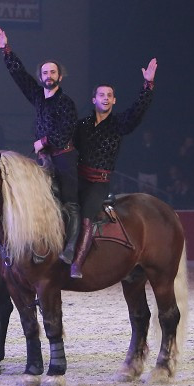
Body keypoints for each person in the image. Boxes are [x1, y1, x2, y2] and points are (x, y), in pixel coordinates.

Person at [0, 25, 80, 264]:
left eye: (52, 72)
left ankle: (71, 247)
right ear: (41, 77)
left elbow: (64, 132)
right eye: (45, 73)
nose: (48, 76)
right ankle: (42, 247)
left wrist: (43, 141)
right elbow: (20, 76)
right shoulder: (38, 96)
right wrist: (6, 50)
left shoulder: (66, 103)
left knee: (70, 203)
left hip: (64, 158)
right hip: (45, 159)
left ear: (60, 77)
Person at [69, 59, 158, 278]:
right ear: (94, 99)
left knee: (88, 212)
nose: (105, 98)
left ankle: (77, 262)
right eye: (102, 95)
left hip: (99, 183)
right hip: (78, 178)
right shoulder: (82, 125)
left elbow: (137, 112)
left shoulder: (119, 124)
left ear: (114, 100)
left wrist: (147, 85)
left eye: (109, 95)